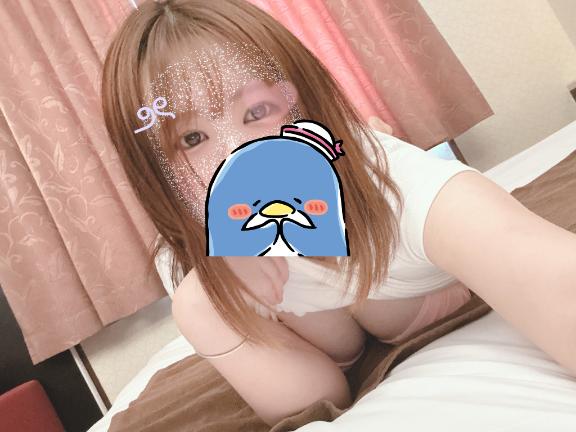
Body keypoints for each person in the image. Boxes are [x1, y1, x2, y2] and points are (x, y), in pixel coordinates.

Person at [100, 0, 576, 427]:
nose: (239, 153)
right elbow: (315, 400)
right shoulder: (196, 256)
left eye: (257, 111)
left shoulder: (400, 186)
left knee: (385, 309)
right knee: (216, 305)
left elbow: (536, 264)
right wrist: (207, 294)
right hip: (306, 278)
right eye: (192, 139)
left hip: (378, 223)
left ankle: (365, 133)